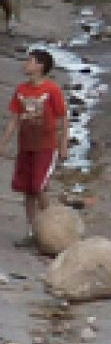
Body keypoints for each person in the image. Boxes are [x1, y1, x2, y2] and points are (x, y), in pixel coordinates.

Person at [1, 49, 68, 250]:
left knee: (39, 187)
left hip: (46, 147)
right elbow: (13, 119)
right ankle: (34, 231)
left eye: (29, 61)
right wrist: (4, 142)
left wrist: (63, 144)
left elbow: (63, 118)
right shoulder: (21, 90)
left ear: (40, 66)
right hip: (26, 146)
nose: (25, 64)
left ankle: (54, 229)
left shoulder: (52, 90)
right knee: (27, 190)